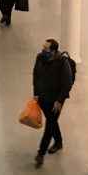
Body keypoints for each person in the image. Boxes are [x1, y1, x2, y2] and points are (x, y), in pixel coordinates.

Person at [32, 38, 73, 166]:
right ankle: (59, 142)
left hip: (55, 100)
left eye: (46, 49)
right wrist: (36, 94)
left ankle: (41, 153)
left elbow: (67, 83)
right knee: (52, 120)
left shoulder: (62, 63)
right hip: (43, 98)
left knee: (50, 125)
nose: (43, 51)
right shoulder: (40, 58)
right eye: (43, 48)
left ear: (54, 51)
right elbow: (36, 75)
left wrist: (59, 101)